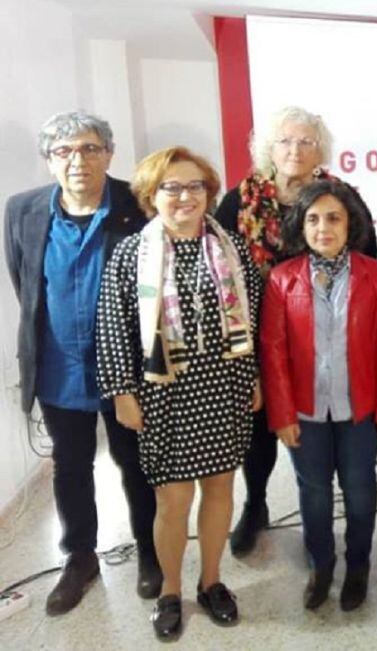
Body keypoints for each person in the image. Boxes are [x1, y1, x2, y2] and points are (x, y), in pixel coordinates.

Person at [96, 146, 262, 640]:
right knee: (172, 500)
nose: (185, 196)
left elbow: (252, 317)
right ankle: (170, 591)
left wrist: (253, 377)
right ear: (152, 195)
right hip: (164, 395)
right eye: (172, 187)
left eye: (196, 186)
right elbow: (111, 328)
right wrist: (122, 393)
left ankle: (211, 582)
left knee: (220, 488)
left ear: (209, 193)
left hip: (224, 387)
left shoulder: (232, 249)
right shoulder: (131, 254)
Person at [3, 112, 160, 615]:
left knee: (136, 462)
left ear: (109, 153)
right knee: (70, 466)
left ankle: (151, 550)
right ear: (49, 160)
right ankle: (80, 558)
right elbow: (26, 284)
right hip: (58, 369)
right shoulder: (22, 210)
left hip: (126, 370)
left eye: (90, 148)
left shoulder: (138, 205)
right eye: (64, 151)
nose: (78, 160)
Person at [216, 106, 376, 557]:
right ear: (269, 147)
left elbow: (369, 260)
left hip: (325, 337)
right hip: (253, 334)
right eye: (285, 141)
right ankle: (256, 504)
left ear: (320, 149)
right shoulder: (239, 201)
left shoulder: (340, 197)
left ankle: (323, 524)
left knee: (322, 438)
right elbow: (218, 268)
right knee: (258, 428)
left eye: (306, 141)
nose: (295, 150)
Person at [261, 180, 377, 612]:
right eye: (313, 219)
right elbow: (273, 351)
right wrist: (282, 414)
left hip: (360, 409)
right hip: (304, 411)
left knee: (359, 488)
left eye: (333, 218)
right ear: (300, 226)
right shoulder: (282, 280)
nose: (323, 228)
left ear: (350, 224)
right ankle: (320, 566)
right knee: (314, 492)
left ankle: (358, 566)